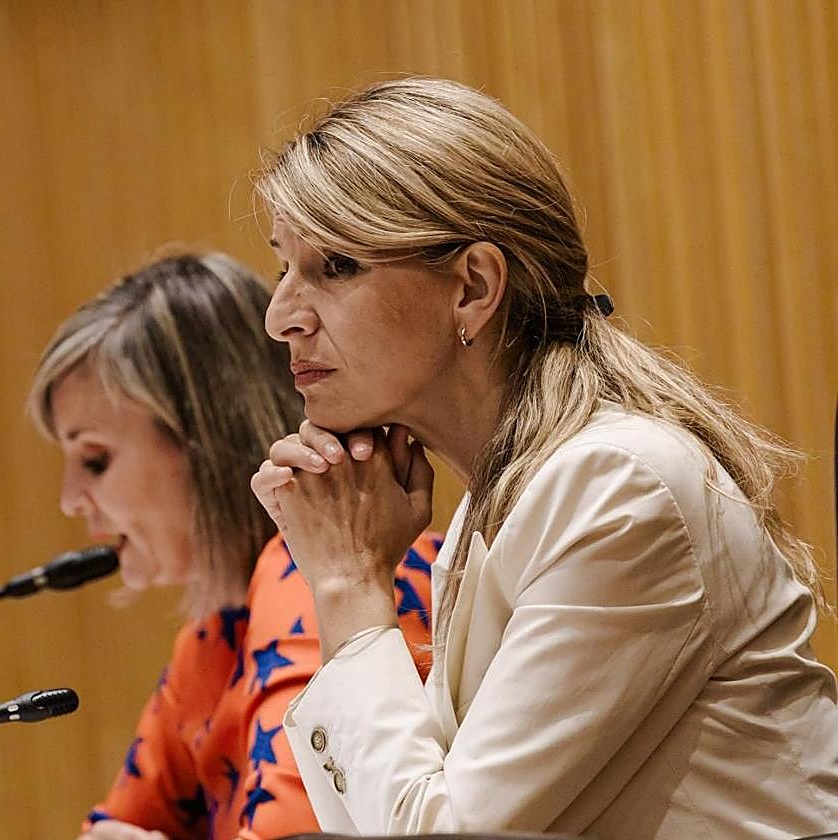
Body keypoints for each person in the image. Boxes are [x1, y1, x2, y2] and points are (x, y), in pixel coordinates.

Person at [249, 78, 838, 840]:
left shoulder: (615, 488)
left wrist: (348, 582)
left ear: (474, 288)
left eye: (334, 267)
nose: (280, 318)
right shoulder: (500, 502)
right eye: (282, 268)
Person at [28, 252, 442, 840]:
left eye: (96, 460)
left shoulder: (305, 581)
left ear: (202, 440)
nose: (71, 499)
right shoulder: (210, 643)